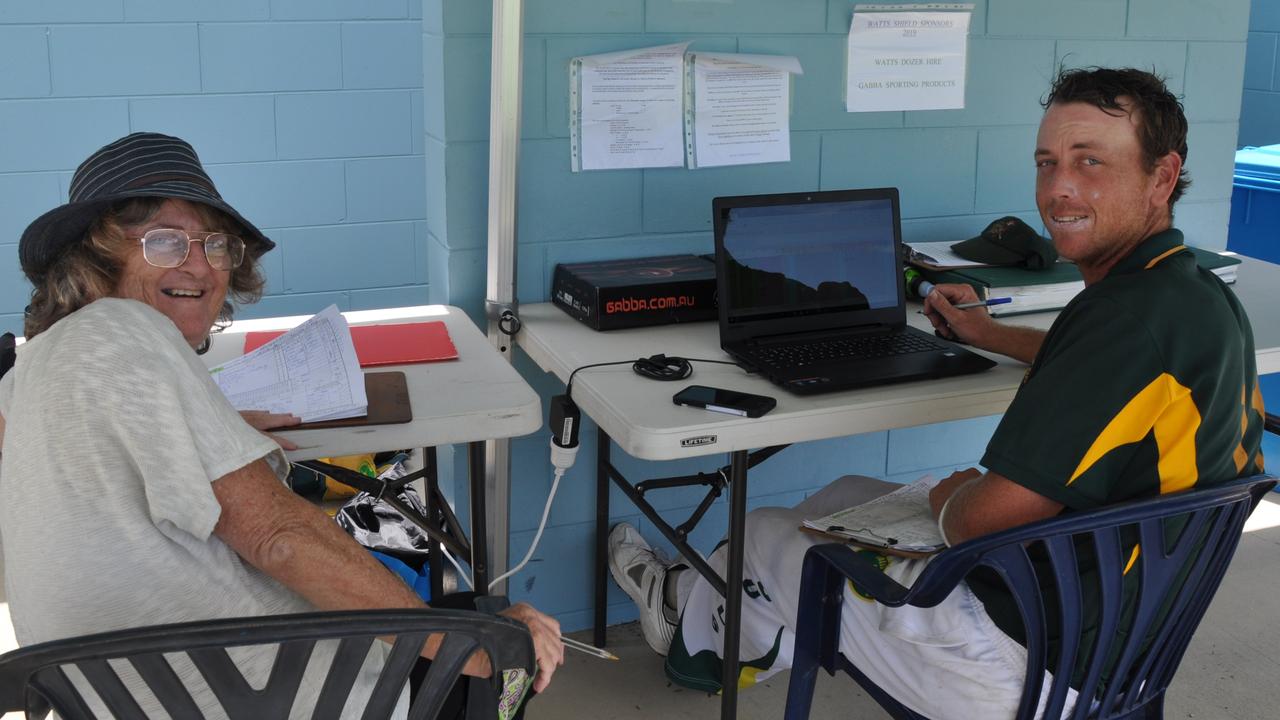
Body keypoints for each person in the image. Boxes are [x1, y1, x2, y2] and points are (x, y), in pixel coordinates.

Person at [608, 67, 1266, 717]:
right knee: (841, 499)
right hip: (1123, 642)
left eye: (1090, 162)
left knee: (767, 532)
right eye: (1047, 162)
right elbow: (1109, 375)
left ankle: (690, 631)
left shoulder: (1120, 321)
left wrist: (954, 501)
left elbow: (982, 520)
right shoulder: (1191, 298)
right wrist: (985, 333)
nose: (1058, 188)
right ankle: (744, 620)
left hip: (1023, 663)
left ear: (1161, 175)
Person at [0, 132, 563, 718]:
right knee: (502, 634)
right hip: (271, 692)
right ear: (93, 260)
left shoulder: (28, 371)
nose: (200, 263)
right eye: (165, 242)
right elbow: (280, 539)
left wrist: (206, 421)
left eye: (215, 245)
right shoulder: (125, 329)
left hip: (106, 699)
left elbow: (86, 474)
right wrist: (469, 649)